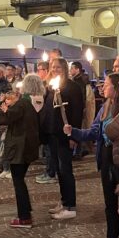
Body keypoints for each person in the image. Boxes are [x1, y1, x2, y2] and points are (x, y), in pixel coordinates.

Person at [65, 73, 119, 238]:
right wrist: (73, 131)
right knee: (110, 202)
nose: (102, 88)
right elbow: (93, 132)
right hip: (106, 159)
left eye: (106, 84)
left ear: (116, 87)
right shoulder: (104, 107)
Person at [0, 74, 44, 228]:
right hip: (25, 146)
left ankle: (24, 217)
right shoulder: (27, 103)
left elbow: (6, 118)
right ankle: (25, 210)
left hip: (19, 147)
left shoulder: (23, 104)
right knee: (19, 180)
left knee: (18, 181)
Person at [45, 57, 84, 220]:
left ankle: (70, 205)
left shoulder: (72, 87)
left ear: (65, 69)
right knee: (59, 170)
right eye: (53, 67)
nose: (55, 70)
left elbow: (77, 112)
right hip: (53, 133)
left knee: (65, 169)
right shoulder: (51, 86)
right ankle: (64, 200)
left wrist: (73, 135)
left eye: (58, 68)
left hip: (65, 134)